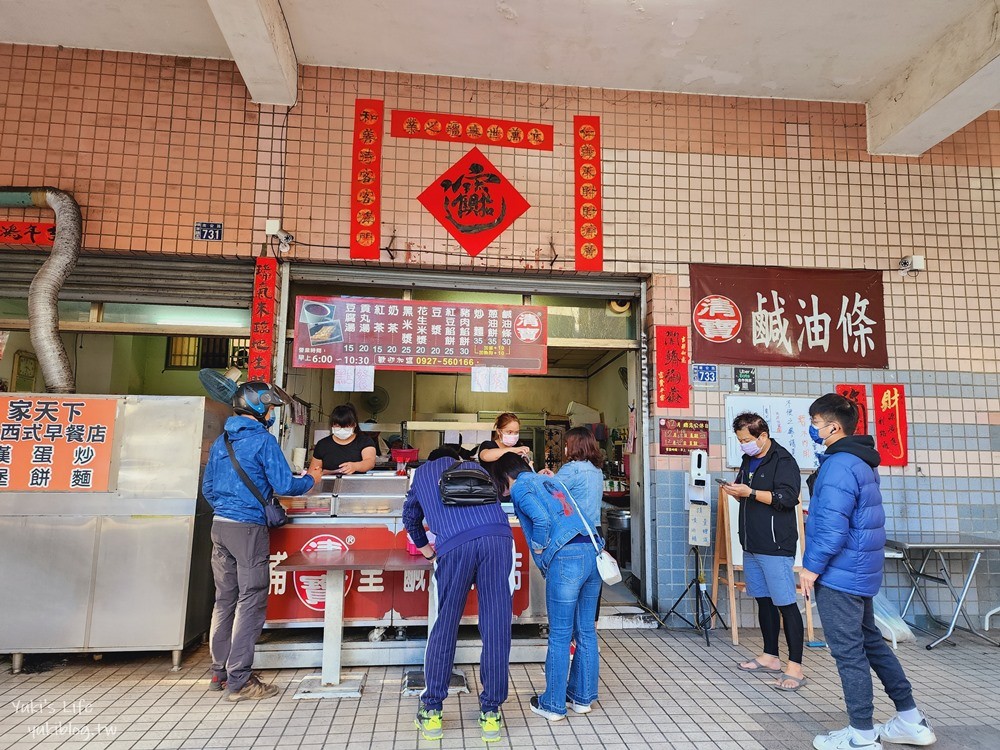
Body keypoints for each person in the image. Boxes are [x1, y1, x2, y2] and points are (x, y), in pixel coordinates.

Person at [800, 394, 936, 750]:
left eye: (815, 424)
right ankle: (910, 720)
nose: (813, 430)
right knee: (871, 643)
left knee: (848, 652)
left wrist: (809, 569)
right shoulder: (861, 461)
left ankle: (861, 735)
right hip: (859, 571)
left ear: (834, 426)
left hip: (839, 574)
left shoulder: (839, 464)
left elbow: (832, 529)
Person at [202, 382, 314, 702]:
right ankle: (240, 681)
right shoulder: (262, 440)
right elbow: (284, 484)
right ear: (259, 407)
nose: (271, 415)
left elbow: (209, 489)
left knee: (225, 600)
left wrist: (228, 507)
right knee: (251, 601)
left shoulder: (222, 441)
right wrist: (311, 480)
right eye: (270, 408)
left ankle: (219, 672)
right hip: (247, 529)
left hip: (219, 526)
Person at [401, 448, 514, 743]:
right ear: (455, 458)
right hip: (498, 538)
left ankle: (432, 711)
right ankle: (491, 713)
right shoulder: (475, 467)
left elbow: (410, 518)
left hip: (455, 545)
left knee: (446, 625)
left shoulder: (422, 474)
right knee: (496, 626)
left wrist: (427, 549)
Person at [494, 453, 602, 722]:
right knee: (586, 631)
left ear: (505, 476)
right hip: (592, 553)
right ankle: (582, 698)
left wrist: (541, 551)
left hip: (566, 560)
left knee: (560, 634)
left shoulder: (520, 486)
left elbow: (540, 520)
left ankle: (553, 704)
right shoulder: (552, 482)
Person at [721, 412, 806, 691]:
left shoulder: (783, 461)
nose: (743, 445)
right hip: (752, 542)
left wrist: (752, 493)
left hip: (775, 544)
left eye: (746, 439)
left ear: (763, 436)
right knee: (764, 601)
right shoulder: (749, 459)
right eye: (740, 440)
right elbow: (746, 488)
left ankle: (795, 667)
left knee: (785, 604)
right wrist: (735, 490)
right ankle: (770, 656)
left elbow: (787, 498)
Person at [307, 403, 376, 482]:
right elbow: (312, 472)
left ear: (354, 425)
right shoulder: (322, 444)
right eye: (338, 426)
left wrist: (355, 466)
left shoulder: (364, 441)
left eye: (346, 426)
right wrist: (325, 472)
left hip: (358, 488)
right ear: (332, 425)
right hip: (327, 489)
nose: (342, 429)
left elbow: (369, 462)